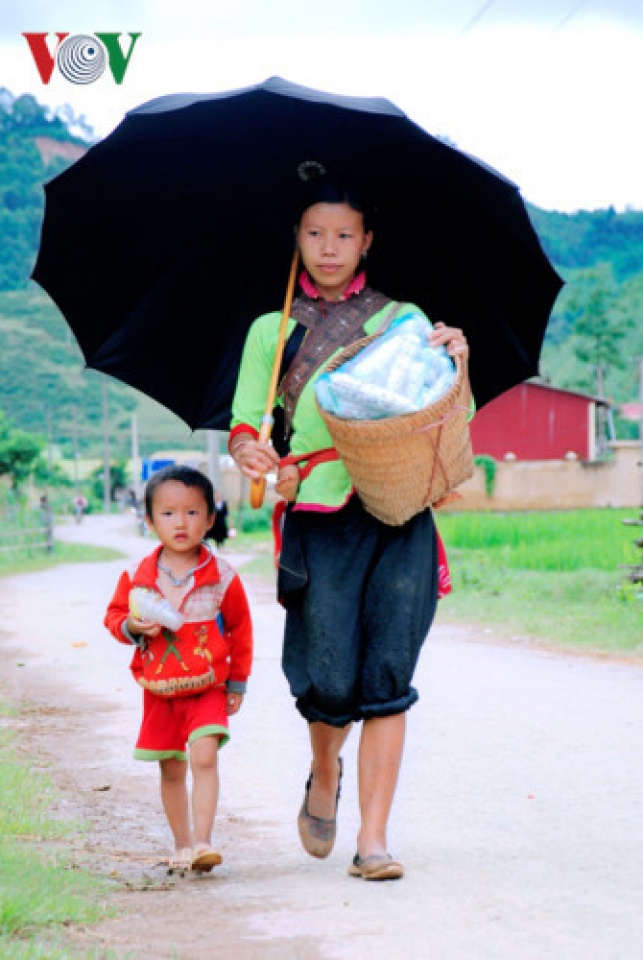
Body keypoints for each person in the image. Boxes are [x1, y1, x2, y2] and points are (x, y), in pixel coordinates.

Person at [229, 175, 470, 881]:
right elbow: (243, 424)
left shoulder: (404, 320)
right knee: (329, 682)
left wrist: (457, 359)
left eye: (343, 234)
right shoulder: (271, 330)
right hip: (318, 513)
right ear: (297, 240)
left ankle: (374, 840)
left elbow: (448, 411)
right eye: (315, 233)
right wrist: (249, 449)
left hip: (399, 507)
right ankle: (325, 768)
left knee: (388, 675)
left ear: (366, 241)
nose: (328, 247)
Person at [104, 464, 253, 873]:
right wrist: (133, 626)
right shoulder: (138, 578)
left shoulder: (222, 576)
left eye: (192, 512)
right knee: (171, 767)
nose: (181, 523)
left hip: (208, 686)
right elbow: (114, 617)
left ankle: (203, 842)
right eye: (168, 513)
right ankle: (183, 845)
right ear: (150, 520)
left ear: (210, 518)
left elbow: (240, 629)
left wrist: (238, 681)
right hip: (160, 689)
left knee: (205, 756)